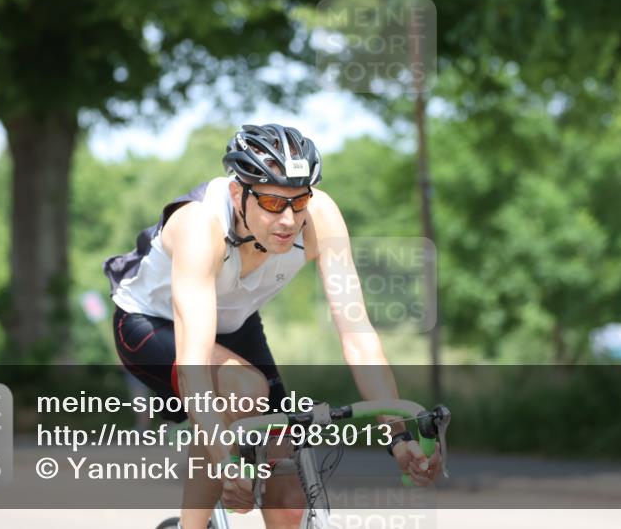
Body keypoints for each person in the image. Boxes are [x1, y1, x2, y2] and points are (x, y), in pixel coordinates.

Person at [104, 123, 441, 529]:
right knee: (245, 391)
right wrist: (227, 460)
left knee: (285, 471)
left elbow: (358, 336)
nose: (287, 219)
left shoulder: (322, 219)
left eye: (298, 202)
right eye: (270, 201)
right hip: (153, 325)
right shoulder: (200, 227)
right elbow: (194, 364)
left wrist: (399, 436)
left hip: (235, 324)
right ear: (236, 194)